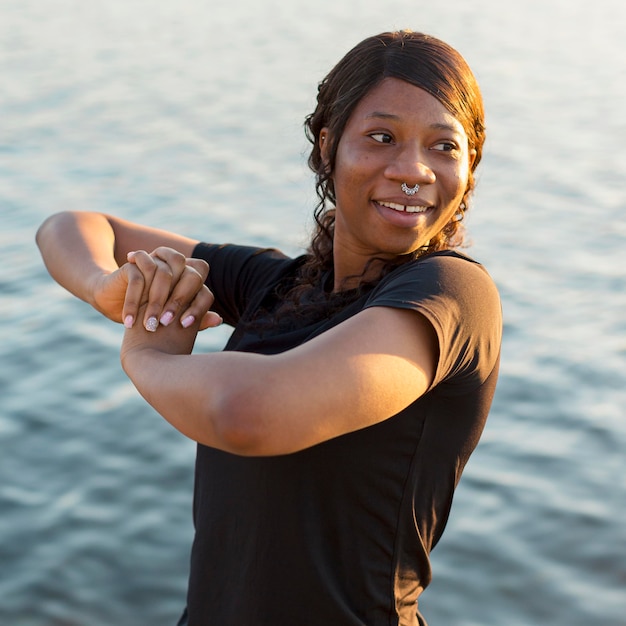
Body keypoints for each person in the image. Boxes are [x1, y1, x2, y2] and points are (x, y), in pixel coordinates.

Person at [36, 30, 502, 626]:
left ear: (469, 166)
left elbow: (249, 413)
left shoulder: (453, 296)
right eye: (381, 137)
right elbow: (71, 226)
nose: (412, 170)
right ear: (330, 146)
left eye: (443, 147)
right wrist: (109, 287)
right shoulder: (277, 284)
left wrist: (148, 357)